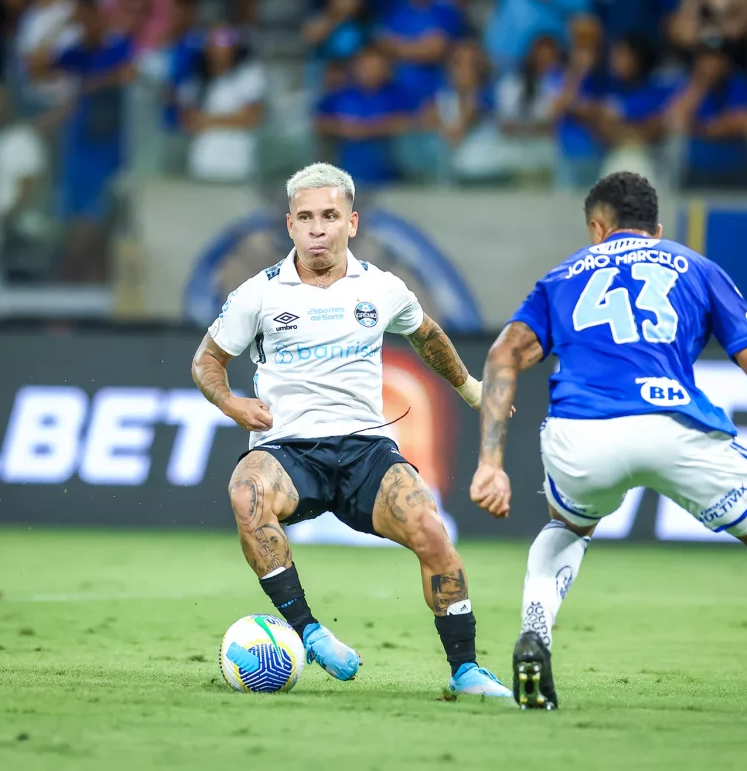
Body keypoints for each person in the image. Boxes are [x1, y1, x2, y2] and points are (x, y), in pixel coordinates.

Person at [469, 171, 747, 723]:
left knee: (568, 526)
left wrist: (491, 463)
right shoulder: (698, 267)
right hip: (675, 426)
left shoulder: (560, 276)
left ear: (597, 228)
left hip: (583, 433)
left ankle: (536, 632)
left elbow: (504, 354)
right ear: (655, 229)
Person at [190, 162, 512, 699]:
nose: (318, 229)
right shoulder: (258, 294)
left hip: (366, 451)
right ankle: (310, 633)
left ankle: (467, 671)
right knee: (247, 492)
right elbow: (207, 360)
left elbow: (428, 336)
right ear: (290, 225)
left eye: (330, 216)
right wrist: (230, 403)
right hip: (287, 450)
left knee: (431, 529)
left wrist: (472, 390)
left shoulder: (382, 288)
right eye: (306, 218)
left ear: (352, 223)